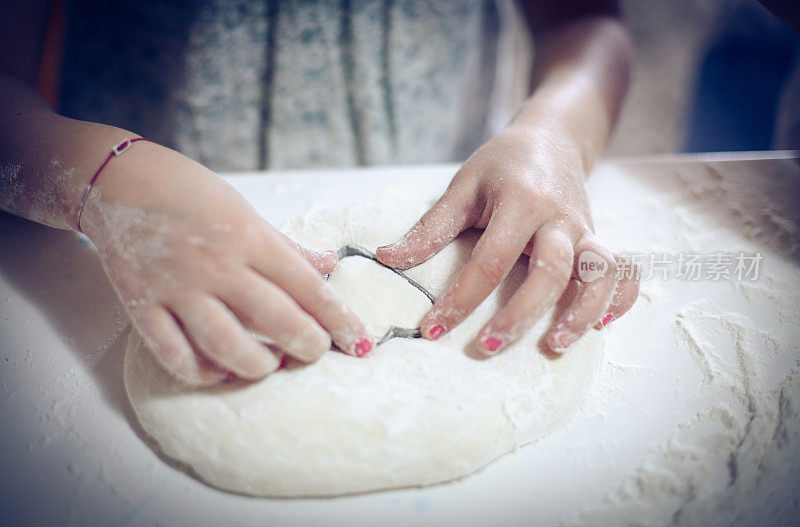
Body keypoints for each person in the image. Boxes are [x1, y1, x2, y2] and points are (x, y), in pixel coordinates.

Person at [0, 0, 639, 386]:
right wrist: (99, 177)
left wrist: (554, 136)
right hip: (141, 224)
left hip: (447, 193)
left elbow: (584, 21)